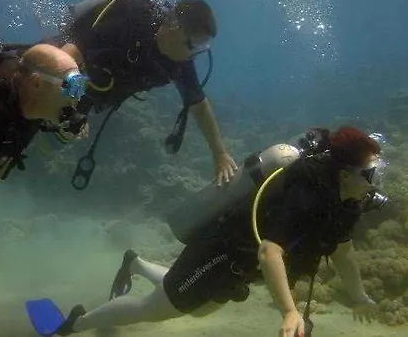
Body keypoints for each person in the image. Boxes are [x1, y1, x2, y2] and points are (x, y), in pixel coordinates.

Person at [25, 126, 387, 337]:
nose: (375, 183)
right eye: (371, 174)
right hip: (220, 250)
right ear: (345, 173)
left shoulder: (345, 203)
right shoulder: (307, 193)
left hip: (238, 264)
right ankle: (73, 324)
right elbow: (270, 252)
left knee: (195, 310)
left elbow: (343, 253)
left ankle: (135, 264)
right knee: (157, 309)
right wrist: (289, 312)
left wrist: (359, 297)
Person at [50, 0, 237, 186]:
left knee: (59, 137)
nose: (195, 56)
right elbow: (71, 54)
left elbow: (199, 106)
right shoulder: (129, 20)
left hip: (91, 89)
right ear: (174, 27)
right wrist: (71, 106)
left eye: (202, 49)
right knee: (41, 110)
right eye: (194, 46)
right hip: (59, 67)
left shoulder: (180, 61)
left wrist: (219, 153)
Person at [0, 2, 87, 189]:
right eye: (72, 86)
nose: (78, 97)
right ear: (36, 83)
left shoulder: (34, 95)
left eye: (80, 85)